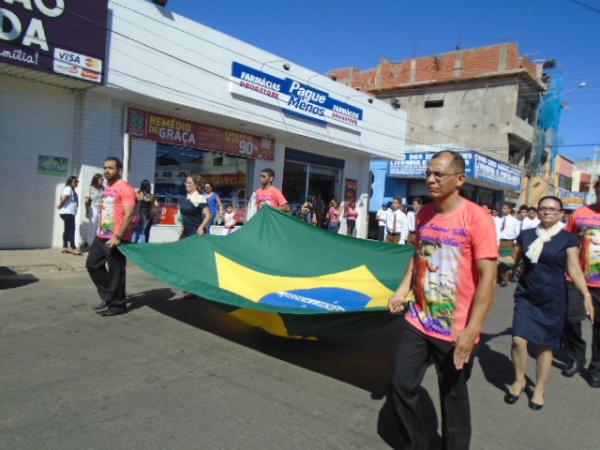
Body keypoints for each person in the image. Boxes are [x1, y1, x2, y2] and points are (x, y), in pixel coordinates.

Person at [388, 150, 498, 450]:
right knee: (400, 386)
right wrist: (402, 290)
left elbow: (489, 278)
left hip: (455, 330)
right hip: (418, 320)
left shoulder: (478, 219)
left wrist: (472, 330)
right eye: (429, 173)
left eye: (439, 174)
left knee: (453, 400)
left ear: (460, 179)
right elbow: (418, 256)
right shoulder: (424, 213)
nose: (430, 179)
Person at [501, 196, 593, 410]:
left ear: (561, 213)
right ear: (538, 211)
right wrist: (489, 260)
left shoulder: (568, 239)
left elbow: (574, 269)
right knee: (518, 341)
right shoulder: (525, 235)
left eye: (553, 209)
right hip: (526, 295)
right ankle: (519, 380)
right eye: (543, 208)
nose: (547, 212)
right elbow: (512, 261)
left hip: (553, 298)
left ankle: (540, 388)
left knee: (544, 346)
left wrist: (586, 295)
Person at [86, 157, 137, 316]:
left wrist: (119, 236)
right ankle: (109, 296)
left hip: (117, 236)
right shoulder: (108, 188)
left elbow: (130, 214)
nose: (106, 171)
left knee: (116, 271)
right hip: (104, 233)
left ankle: (118, 305)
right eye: (105, 168)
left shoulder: (126, 188)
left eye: (111, 168)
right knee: (92, 264)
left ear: (119, 170)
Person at [561, 178, 600, 386]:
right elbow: (568, 244)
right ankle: (576, 357)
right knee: (570, 319)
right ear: (596, 190)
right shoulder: (580, 215)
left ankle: (596, 368)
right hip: (577, 279)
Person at [180, 174, 211, 238]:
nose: (186, 184)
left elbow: (208, 216)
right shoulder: (185, 198)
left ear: (196, 185)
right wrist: (181, 229)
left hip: (196, 232)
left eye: (189, 183)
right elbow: (184, 217)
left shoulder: (200, 198)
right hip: (185, 232)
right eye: (186, 182)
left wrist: (201, 228)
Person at [57, 175, 82, 255]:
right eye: (75, 181)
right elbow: (65, 197)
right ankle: (73, 247)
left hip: (69, 213)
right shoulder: (68, 188)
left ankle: (65, 247)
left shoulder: (72, 190)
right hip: (67, 212)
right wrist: (60, 205)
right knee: (71, 230)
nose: (76, 183)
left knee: (67, 230)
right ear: (70, 182)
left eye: (77, 181)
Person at [498, 201, 520, 286]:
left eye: (505, 208)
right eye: (502, 208)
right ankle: (502, 276)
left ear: (509, 210)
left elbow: (517, 233)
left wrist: (515, 243)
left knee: (506, 261)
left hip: (508, 242)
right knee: (498, 260)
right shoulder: (498, 219)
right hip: (499, 242)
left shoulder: (514, 221)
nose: (503, 210)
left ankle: (505, 279)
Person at [132, 180, 156, 244]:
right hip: (147, 216)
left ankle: (133, 245)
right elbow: (153, 207)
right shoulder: (151, 196)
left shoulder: (138, 193)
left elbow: (135, 204)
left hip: (138, 215)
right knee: (145, 232)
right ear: (149, 186)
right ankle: (144, 245)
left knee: (136, 232)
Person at [84, 174, 104, 248]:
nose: (102, 181)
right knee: (92, 225)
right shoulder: (91, 188)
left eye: (103, 180)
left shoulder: (103, 188)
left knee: (99, 226)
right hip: (93, 207)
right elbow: (87, 200)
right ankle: (90, 243)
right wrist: (87, 211)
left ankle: (96, 243)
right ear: (96, 180)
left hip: (101, 209)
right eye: (101, 180)